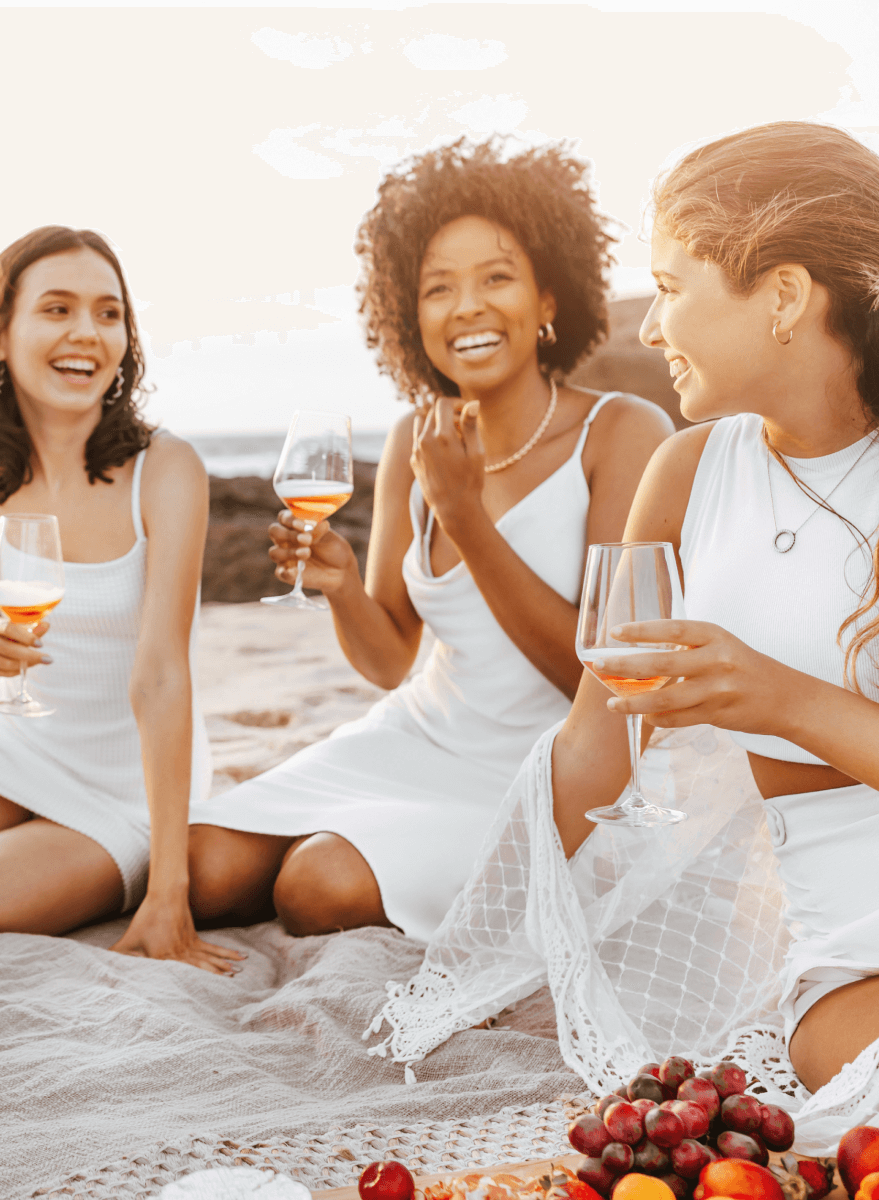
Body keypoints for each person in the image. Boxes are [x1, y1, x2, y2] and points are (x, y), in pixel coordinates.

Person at [371, 122, 879, 1144]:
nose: (652, 326)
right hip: (829, 936)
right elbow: (593, 742)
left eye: (671, 285)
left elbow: (784, 711)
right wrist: (487, 952)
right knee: (865, 1080)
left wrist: (782, 701)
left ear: (783, 297)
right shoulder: (690, 471)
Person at [186, 136, 672, 941]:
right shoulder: (420, 433)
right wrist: (342, 585)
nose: (468, 307)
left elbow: (600, 685)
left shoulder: (618, 432)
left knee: (317, 885)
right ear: (410, 316)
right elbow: (389, 660)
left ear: (550, 299)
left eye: (497, 278)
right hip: (417, 732)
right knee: (205, 866)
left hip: (541, 765)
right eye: (438, 288)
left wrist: (465, 518)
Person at [0, 225, 238, 972]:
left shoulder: (167, 469)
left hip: (125, 776)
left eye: (108, 313)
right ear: (0, 331)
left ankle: (89, 859)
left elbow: (161, 676)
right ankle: (22, 835)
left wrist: (169, 892)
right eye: (56, 310)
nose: (86, 334)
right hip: (10, 747)